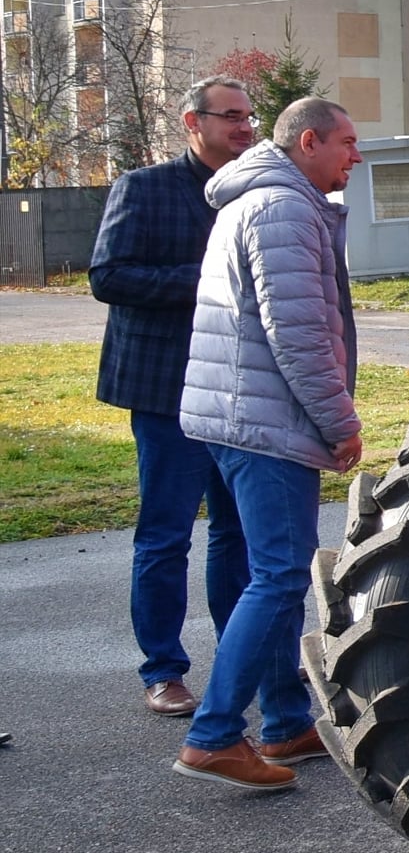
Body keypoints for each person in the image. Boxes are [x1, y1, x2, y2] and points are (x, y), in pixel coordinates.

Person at [173, 97, 363, 791]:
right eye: (346, 141)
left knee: (273, 570)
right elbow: (299, 336)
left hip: (236, 413)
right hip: (265, 420)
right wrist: (339, 422)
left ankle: (285, 720)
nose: (356, 155)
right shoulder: (281, 210)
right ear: (307, 140)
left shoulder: (258, 199)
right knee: (281, 573)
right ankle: (214, 734)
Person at [89, 75, 257, 717]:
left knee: (236, 536)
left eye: (249, 117)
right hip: (165, 392)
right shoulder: (145, 187)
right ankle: (163, 670)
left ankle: (235, 662)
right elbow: (108, 276)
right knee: (165, 536)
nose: (245, 128)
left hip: (239, 393)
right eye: (231, 117)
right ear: (194, 122)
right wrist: (208, 283)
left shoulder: (251, 193)